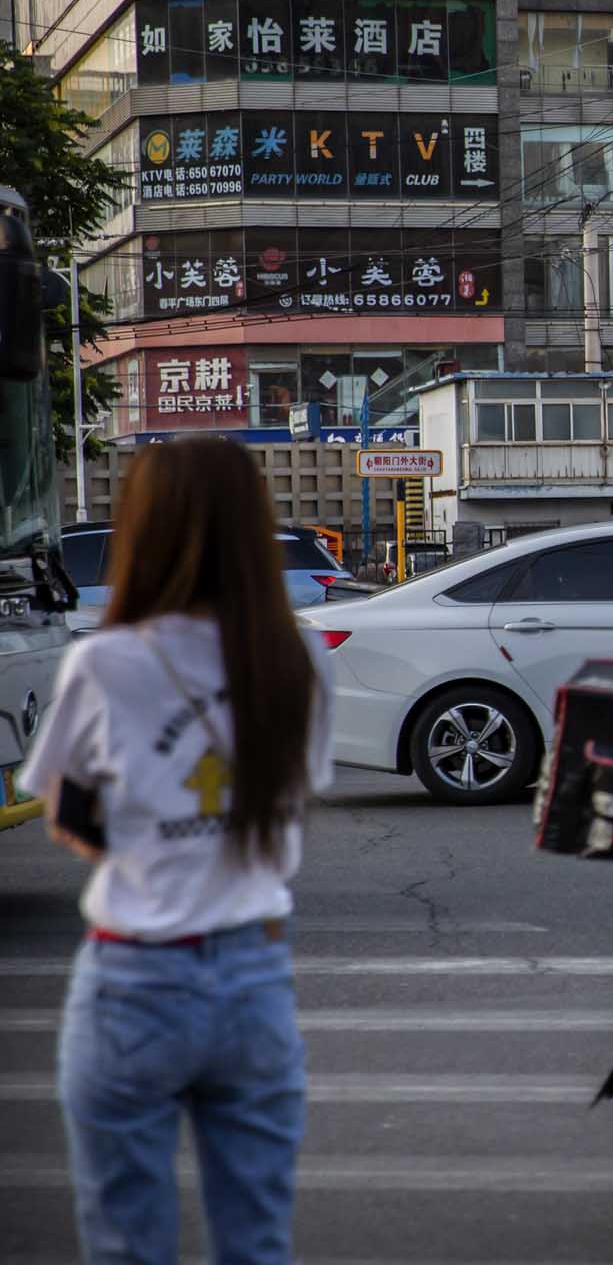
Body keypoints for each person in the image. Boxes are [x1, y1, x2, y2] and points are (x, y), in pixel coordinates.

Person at [24, 436, 334, 1265]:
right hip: (255, 978)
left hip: (133, 980)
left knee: (128, 1243)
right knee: (257, 1241)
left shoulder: (106, 661)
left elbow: (66, 811)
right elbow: (293, 791)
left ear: (143, 530)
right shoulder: (296, 657)